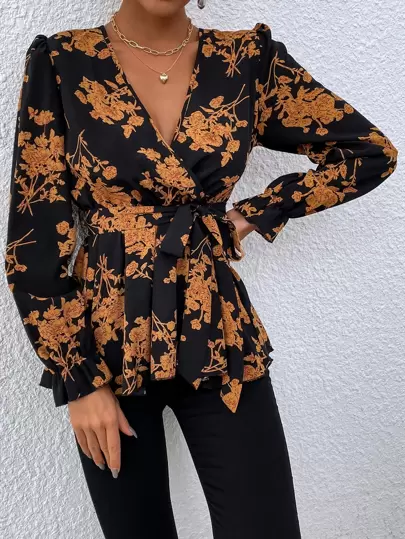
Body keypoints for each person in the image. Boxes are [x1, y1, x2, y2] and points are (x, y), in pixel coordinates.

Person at [5, 0, 398, 537]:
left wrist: (252, 215)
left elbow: (368, 152)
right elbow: (34, 235)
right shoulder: (63, 62)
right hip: (108, 345)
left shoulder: (247, 62)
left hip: (217, 331)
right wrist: (78, 377)